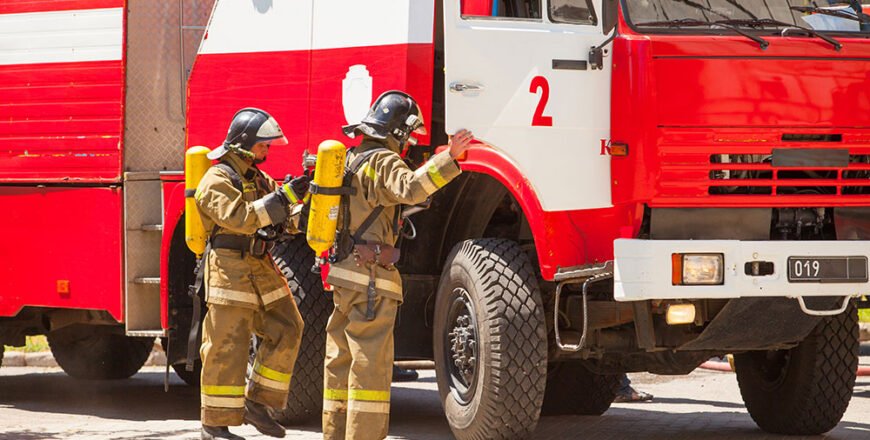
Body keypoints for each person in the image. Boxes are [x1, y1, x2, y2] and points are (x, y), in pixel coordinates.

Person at [321, 91, 473, 440]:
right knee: (370, 362)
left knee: (340, 358)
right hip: (370, 277)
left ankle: (335, 433)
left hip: (343, 272)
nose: (409, 144)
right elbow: (411, 188)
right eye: (409, 136)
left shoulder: (351, 158)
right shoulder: (384, 160)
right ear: (399, 131)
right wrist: (450, 157)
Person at [194, 108, 311, 440]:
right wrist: (283, 197)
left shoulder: (258, 179)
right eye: (263, 145)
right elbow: (241, 218)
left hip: (261, 267)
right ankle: (214, 425)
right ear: (243, 144)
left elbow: (283, 215)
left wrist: (308, 205)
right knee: (227, 346)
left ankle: (257, 403)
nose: (267, 150)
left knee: (289, 326)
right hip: (229, 270)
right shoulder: (216, 180)